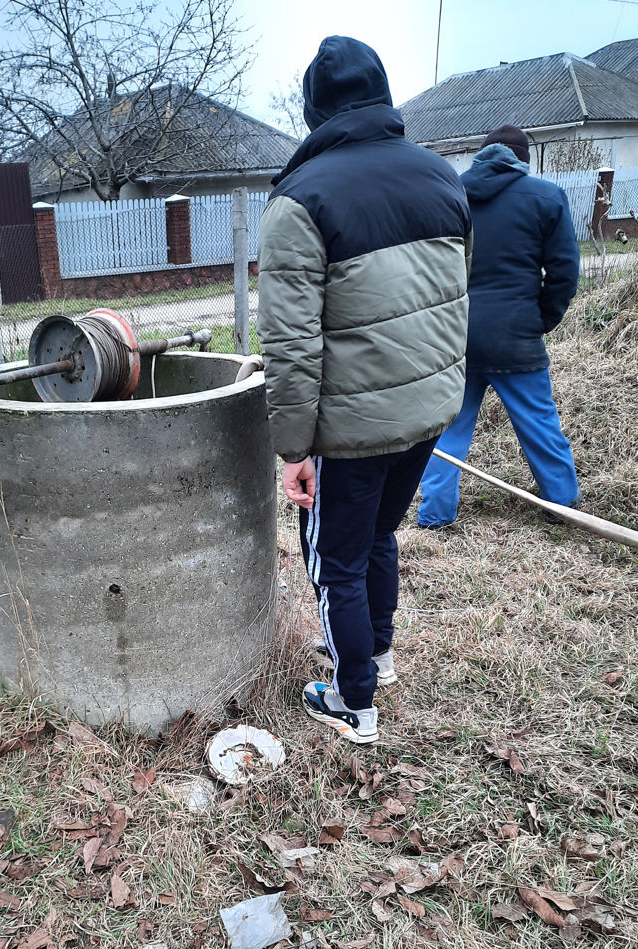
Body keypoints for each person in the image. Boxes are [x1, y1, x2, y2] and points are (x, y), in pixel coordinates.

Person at [257, 35, 472, 746]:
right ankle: (374, 656)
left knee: (335, 562)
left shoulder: (302, 200)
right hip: (427, 412)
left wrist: (294, 448)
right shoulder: (442, 178)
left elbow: (290, 343)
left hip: (351, 429)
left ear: (315, 111)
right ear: (382, 97)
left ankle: (354, 702)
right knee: (379, 536)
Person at [417, 125, 580, 528]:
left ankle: (435, 513)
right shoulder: (546, 197)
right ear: (522, 161)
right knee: (539, 423)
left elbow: (429, 269)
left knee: (448, 426)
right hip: (516, 337)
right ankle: (562, 506)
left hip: (457, 337)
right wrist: (542, 319)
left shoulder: (450, 195)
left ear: (481, 154)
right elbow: (564, 271)